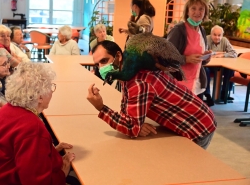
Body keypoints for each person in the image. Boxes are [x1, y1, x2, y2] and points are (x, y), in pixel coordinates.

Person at [86, 40, 216, 149]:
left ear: (118, 56)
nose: (102, 67)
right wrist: (135, 123)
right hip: (194, 117)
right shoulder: (129, 71)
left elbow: (131, 127)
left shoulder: (138, 82)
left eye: (104, 60)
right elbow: (129, 116)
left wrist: (101, 107)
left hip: (198, 126)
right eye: (98, 65)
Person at [0, 62, 75, 184]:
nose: (52, 91)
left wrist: (51, 150)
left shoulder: (6, 111)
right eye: (50, 87)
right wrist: (62, 174)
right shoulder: (32, 128)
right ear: (39, 97)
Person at [167, 0, 212, 100]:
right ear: (187, 11)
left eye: (201, 9)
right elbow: (165, 56)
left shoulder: (202, 31)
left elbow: (200, 61)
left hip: (197, 82)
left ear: (205, 12)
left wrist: (205, 58)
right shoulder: (178, 30)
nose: (197, 12)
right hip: (179, 82)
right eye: (193, 8)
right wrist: (186, 59)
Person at [204, 25, 237, 106]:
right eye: (214, 35)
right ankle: (207, 95)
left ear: (222, 35)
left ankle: (224, 93)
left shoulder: (225, 40)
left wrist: (223, 55)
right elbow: (204, 53)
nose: (217, 37)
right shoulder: (206, 39)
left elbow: (234, 53)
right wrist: (220, 52)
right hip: (209, 65)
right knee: (205, 71)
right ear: (211, 34)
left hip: (222, 66)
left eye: (219, 35)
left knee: (230, 69)